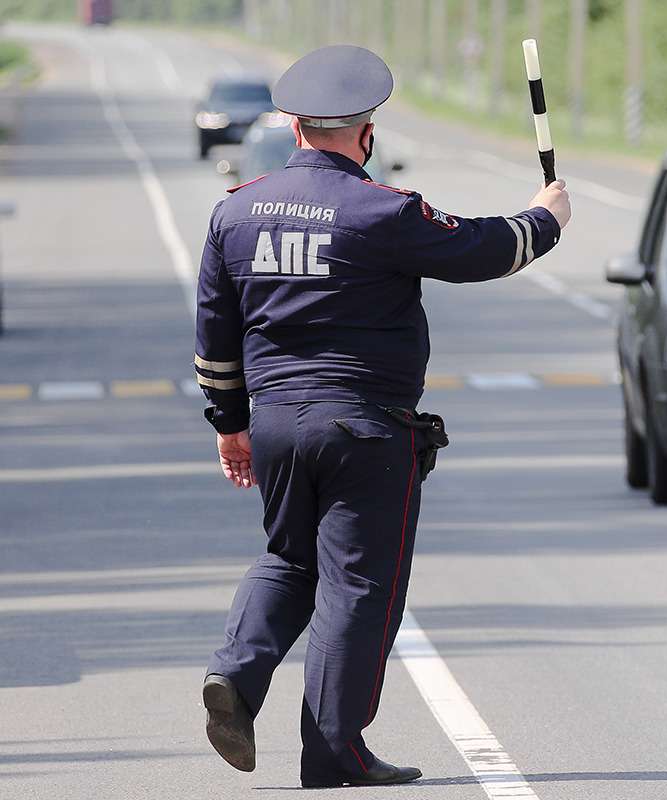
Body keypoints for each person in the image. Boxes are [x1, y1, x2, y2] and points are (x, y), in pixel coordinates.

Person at [195, 45, 570, 788]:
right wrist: (546, 217)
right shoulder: (382, 210)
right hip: (364, 427)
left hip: (274, 424)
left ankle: (235, 677)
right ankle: (335, 752)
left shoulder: (234, 213)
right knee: (358, 587)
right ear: (365, 132)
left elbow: (215, 334)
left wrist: (229, 425)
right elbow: (483, 250)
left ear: (296, 127)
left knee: (286, 560)